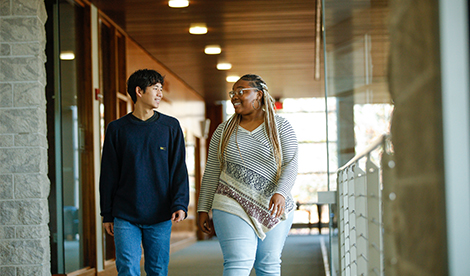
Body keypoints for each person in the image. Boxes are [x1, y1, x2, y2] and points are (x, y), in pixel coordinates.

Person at [197, 74, 298, 276]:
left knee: (268, 265)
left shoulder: (281, 126)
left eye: (241, 91)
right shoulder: (223, 130)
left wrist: (281, 192)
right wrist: (203, 207)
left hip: (273, 205)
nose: (235, 96)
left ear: (259, 94)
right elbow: (212, 170)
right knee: (238, 264)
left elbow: (291, 163)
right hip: (230, 203)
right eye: (233, 93)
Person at [99, 69, 189, 276]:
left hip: (160, 213)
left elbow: (178, 169)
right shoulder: (117, 129)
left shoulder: (171, 126)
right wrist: (107, 213)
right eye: (155, 89)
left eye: (161, 89)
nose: (160, 94)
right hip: (125, 214)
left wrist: (180, 203)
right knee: (127, 269)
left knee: (157, 270)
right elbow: (109, 173)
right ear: (139, 91)